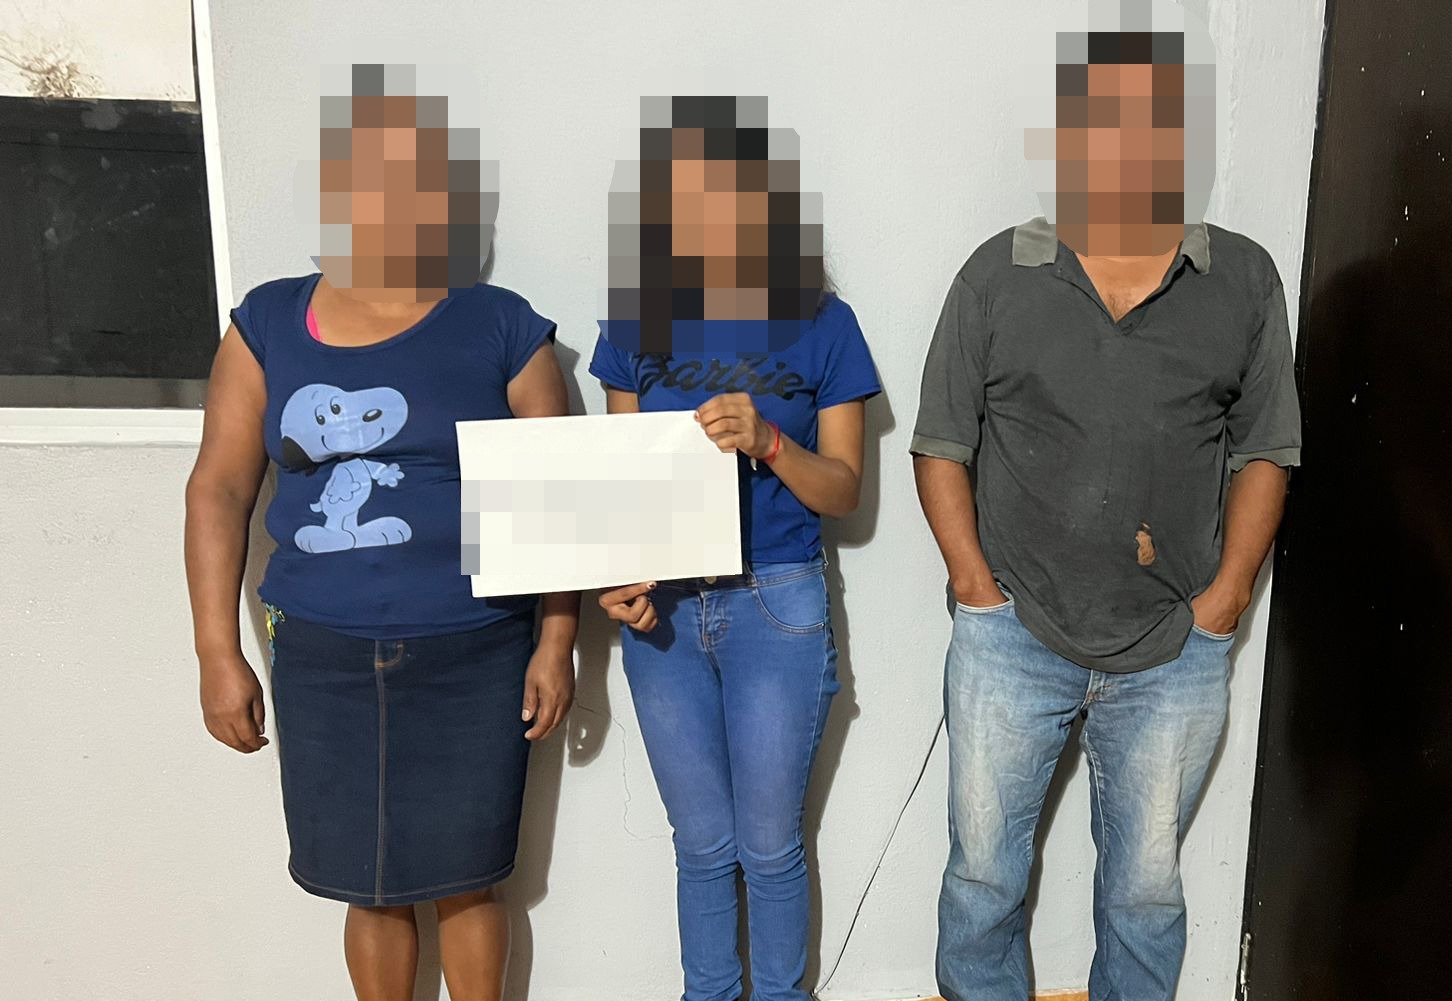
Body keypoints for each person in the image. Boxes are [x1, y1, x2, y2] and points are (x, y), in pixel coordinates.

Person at [912, 14, 1302, 1001]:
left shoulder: (1242, 278)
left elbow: (1266, 451)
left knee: (1144, 894)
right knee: (983, 878)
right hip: (1013, 635)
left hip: (1173, 648)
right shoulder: (998, 273)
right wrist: (975, 588)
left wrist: (1224, 602)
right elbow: (941, 443)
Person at [183, 64, 577, 1001]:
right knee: (371, 883)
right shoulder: (268, 323)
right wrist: (215, 653)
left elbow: (560, 494)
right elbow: (218, 490)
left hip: (478, 647)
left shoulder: (502, 326)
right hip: (322, 652)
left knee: (471, 875)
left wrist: (557, 638)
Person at [593, 95, 881, 1001]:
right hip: (665, 612)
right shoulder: (634, 322)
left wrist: (769, 441)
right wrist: (617, 578)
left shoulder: (825, 322)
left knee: (768, 844)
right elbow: (619, 487)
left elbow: (845, 489)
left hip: (777, 596)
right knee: (703, 844)